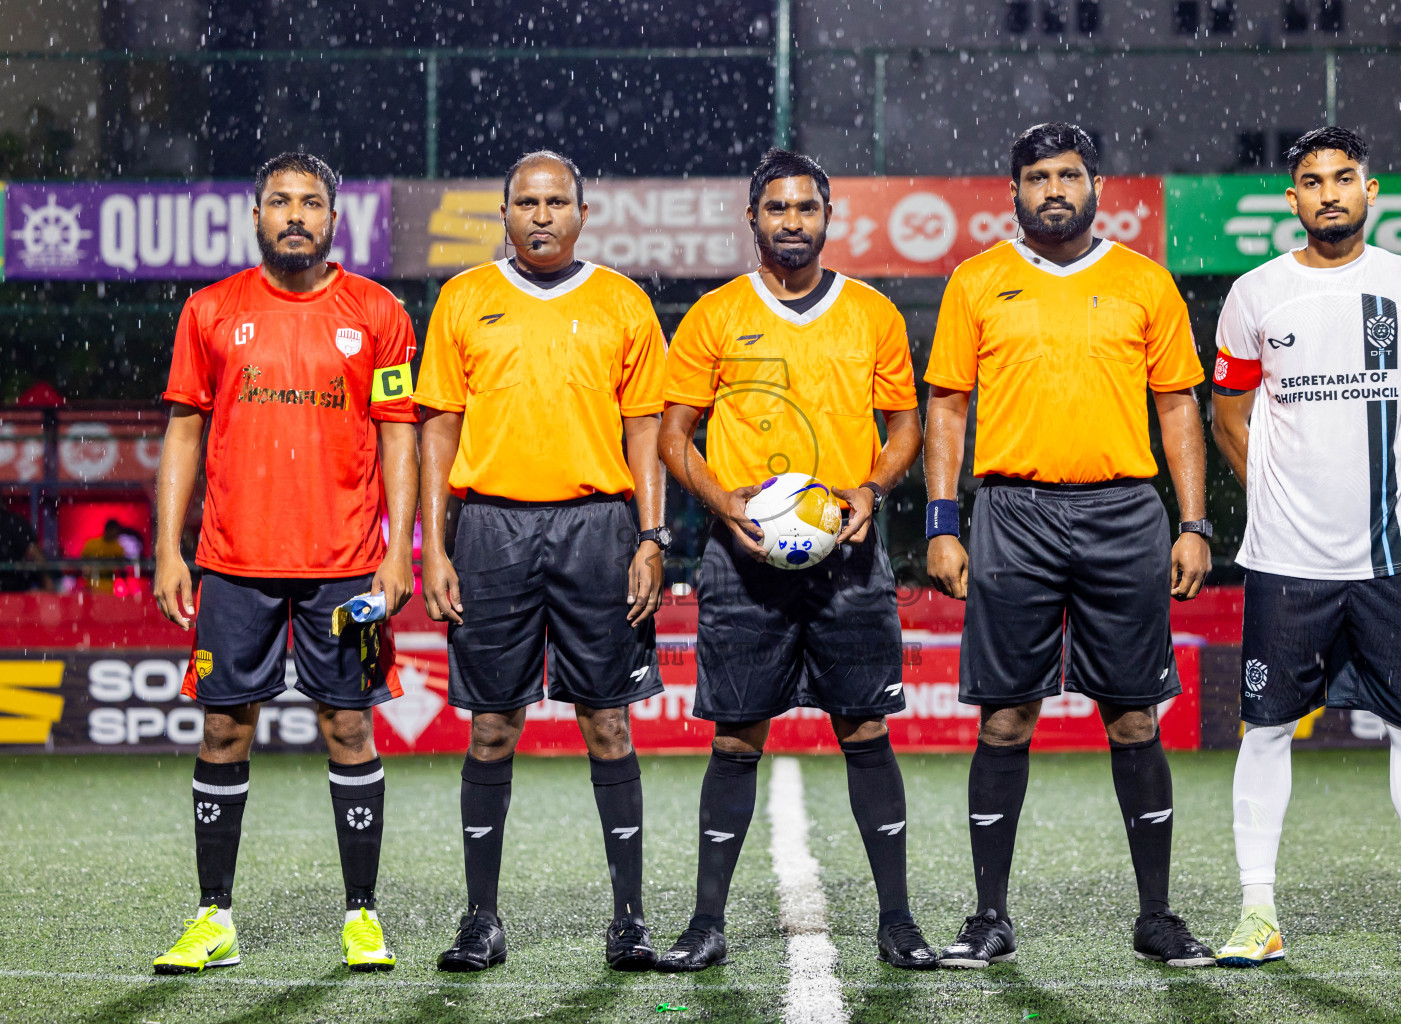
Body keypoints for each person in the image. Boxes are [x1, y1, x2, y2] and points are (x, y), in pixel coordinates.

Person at [1209, 126, 1401, 969]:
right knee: (1264, 729)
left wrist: (1376, 476)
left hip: (1388, 556)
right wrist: (1276, 491)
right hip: (1285, 560)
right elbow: (1229, 412)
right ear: (1290, 199)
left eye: (1344, 178)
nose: (1329, 191)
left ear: (1370, 191)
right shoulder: (1254, 294)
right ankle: (1256, 914)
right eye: (1312, 180)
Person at [924, 122, 1215, 969]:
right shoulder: (977, 281)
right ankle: (988, 917)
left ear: (1097, 185)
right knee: (1006, 715)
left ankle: (1157, 916)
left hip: (1125, 513)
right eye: (1038, 177)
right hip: (1011, 513)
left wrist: (1193, 523)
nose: (1054, 189)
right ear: (1013, 192)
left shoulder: (1143, 282)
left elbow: (1178, 410)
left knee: (1133, 716)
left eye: (1069, 175)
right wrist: (943, 522)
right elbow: (947, 406)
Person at [655, 148, 937, 972]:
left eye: (805, 209)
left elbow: (906, 427)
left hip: (847, 560)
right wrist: (722, 502)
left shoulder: (873, 314)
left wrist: (871, 489)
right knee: (736, 737)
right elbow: (674, 436)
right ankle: (707, 923)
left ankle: (898, 920)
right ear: (752, 219)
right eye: (775, 209)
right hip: (741, 560)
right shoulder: (712, 314)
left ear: (827, 217)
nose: (791, 222)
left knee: (866, 728)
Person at [151, 152, 419, 974]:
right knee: (224, 728)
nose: (294, 215)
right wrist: (169, 546)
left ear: (335, 219)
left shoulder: (377, 312)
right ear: (257, 215)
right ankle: (213, 918)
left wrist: (397, 550)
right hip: (233, 563)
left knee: (347, 724)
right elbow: (186, 431)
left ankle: (363, 918)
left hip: (344, 565)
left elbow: (399, 432)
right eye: (279, 202)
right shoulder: (209, 311)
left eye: (310, 202)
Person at [415, 150, 669, 973]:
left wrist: (650, 538)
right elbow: (438, 430)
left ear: (583, 214)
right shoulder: (464, 298)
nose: (542, 214)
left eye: (557, 201)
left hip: (598, 526)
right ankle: (480, 920)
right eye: (526, 201)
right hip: (490, 530)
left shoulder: (623, 303)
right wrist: (436, 545)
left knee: (606, 721)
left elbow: (647, 435)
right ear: (504, 213)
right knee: (493, 726)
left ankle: (628, 919)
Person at [0, 507, 45, 592]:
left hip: (15, 591)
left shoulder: (14, 523)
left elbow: (36, 554)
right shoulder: (15, 522)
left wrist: (46, 582)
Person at [80, 518, 127, 593]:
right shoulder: (91, 544)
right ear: (107, 530)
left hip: (108, 588)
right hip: (91, 586)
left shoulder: (118, 548)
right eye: (113, 531)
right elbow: (82, 563)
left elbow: (122, 567)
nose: (114, 534)